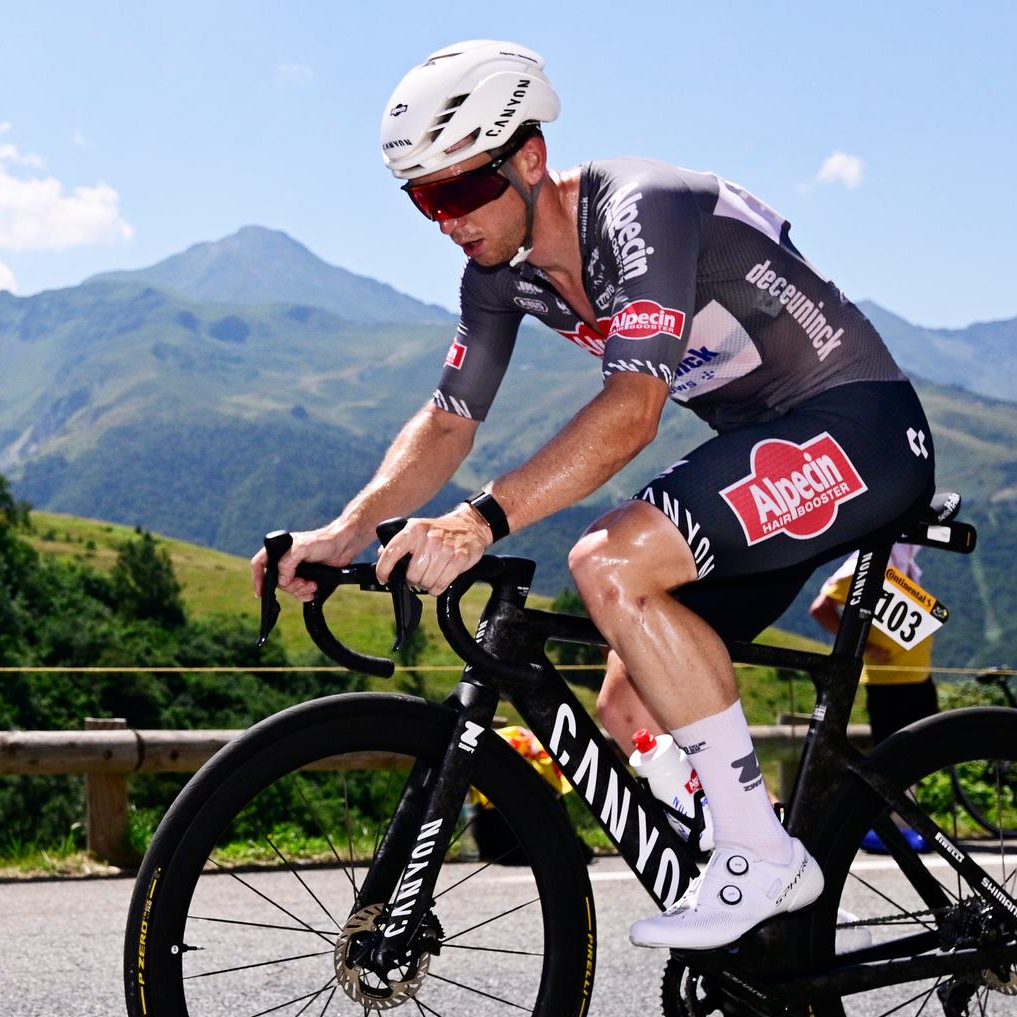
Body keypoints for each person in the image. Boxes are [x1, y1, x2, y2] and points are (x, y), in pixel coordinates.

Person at [253, 40, 935, 948]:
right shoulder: (500, 278)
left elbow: (631, 411)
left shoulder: (639, 208)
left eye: (459, 190)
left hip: (859, 427)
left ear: (530, 157)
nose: (446, 220)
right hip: (767, 446)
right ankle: (775, 906)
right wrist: (345, 530)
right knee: (628, 699)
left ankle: (755, 857)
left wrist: (478, 519)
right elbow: (449, 421)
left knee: (607, 560)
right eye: (423, 199)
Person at [808, 543, 938, 743]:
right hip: (889, 683)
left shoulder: (902, 565)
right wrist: (865, 647)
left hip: (919, 676)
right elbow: (821, 608)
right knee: (896, 759)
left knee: (930, 751)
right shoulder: (867, 565)